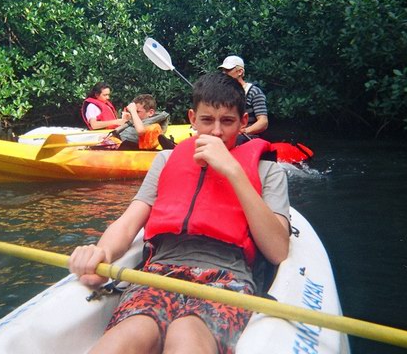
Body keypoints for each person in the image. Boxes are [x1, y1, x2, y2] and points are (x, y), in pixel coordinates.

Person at [68, 72, 290, 354]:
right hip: (158, 273)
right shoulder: (166, 160)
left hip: (226, 278)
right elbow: (128, 224)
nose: (217, 132)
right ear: (192, 119)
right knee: (127, 336)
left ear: (244, 122)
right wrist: (102, 253)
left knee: (186, 337)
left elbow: (278, 250)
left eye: (228, 121)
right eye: (207, 120)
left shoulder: (267, 171)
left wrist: (233, 171)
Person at [218, 55, 268, 140]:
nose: (224, 73)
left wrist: (244, 131)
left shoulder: (254, 91)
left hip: (248, 139)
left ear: (240, 72)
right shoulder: (223, 93)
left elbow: (263, 122)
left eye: (228, 70)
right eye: (223, 71)